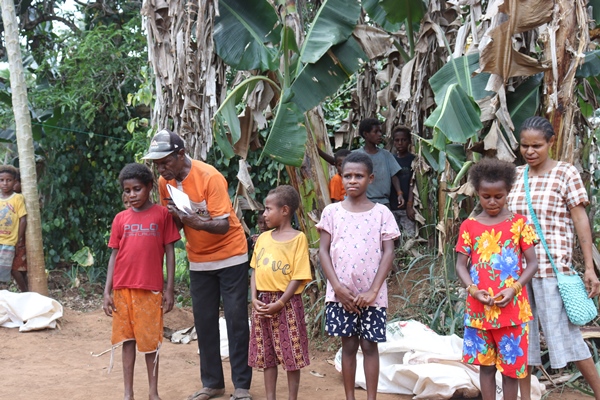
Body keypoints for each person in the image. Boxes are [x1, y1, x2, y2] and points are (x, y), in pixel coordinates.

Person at [143, 129, 253, 400]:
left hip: (231, 256)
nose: (161, 168)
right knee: (204, 322)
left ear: (181, 154)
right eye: (157, 164)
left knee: (236, 320)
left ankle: (241, 387)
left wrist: (191, 220)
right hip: (199, 260)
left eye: (165, 161)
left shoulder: (209, 176)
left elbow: (224, 224)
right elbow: (177, 224)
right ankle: (213, 383)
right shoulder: (163, 182)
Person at [506, 116, 600, 400]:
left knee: (568, 336)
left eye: (537, 145)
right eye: (525, 145)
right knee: (522, 337)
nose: (530, 151)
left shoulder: (565, 173)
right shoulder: (515, 176)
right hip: (518, 273)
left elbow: (580, 219)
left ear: (551, 142)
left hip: (552, 270)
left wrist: (589, 268)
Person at [317, 152, 399, 400]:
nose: (352, 180)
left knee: (369, 347)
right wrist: (337, 288)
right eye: (347, 175)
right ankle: (350, 397)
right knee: (349, 346)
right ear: (340, 178)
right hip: (341, 294)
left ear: (370, 178)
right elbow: (323, 251)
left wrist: (373, 290)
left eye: (359, 176)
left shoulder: (382, 213)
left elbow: (388, 252)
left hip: (372, 296)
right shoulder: (331, 212)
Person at [455, 158, 539, 400]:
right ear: (477, 194)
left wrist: (514, 289)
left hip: (512, 309)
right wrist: (473, 290)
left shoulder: (520, 224)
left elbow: (532, 263)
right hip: (479, 310)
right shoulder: (469, 226)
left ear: (508, 192)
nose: (492, 202)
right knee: (486, 366)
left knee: (511, 370)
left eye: (498, 196)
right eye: (485, 196)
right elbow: (461, 265)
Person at [103, 163, 181, 400]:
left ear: (149, 187)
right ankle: (128, 393)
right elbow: (114, 255)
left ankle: (153, 393)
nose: (132, 195)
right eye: (127, 190)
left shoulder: (162, 215)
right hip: (122, 289)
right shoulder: (120, 219)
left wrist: (169, 288)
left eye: (137, 189)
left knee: (150, 343)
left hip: (150, 290)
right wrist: (107, 291)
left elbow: (170, 252)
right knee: (127, 341)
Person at [248, 185, 312, 400]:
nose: (264, 214)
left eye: (268, 209)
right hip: (263, 302)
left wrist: (281, 302)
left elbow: (298, 275)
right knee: (267, 355)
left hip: (288, 303)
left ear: (284, 210)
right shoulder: (263, 238)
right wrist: (254, 299)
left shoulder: (298, 238)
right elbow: (255, 270)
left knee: (291, 354)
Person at [355, 118, 404, 207]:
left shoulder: (386, 155)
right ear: (366, 134)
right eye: (376, 132)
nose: (380, 135)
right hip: (362, 202)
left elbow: (394, 176)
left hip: (384, 202)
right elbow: (336, 162)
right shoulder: (356, 155)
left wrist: (399, 193)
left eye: (380, 132)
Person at [0, 165, 27, 290]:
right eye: (2, 180)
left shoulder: (17, 198)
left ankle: (4, 299)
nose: (5, 183)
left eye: (8, 180)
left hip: (9, 242)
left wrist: (17, 240)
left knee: (4, 274)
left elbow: (23, 219)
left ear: (14, 181)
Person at [388, 126, 416, 238]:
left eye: (403, 140)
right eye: (397, 140)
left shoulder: (413, 160)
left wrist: (410, 205)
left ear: (409, 141)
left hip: (407, 208)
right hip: (392, 205)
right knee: (393, 238)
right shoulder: (390, 159)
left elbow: (413, 183)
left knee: (409, 238)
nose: (400, 143)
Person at [10, 169, 27, 292]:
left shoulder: (21, 198)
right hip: (12, 238)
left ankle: (26, 293)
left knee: (15, 268)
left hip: (20, 240)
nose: (13, 185)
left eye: (16, 182)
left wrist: (18, 239)